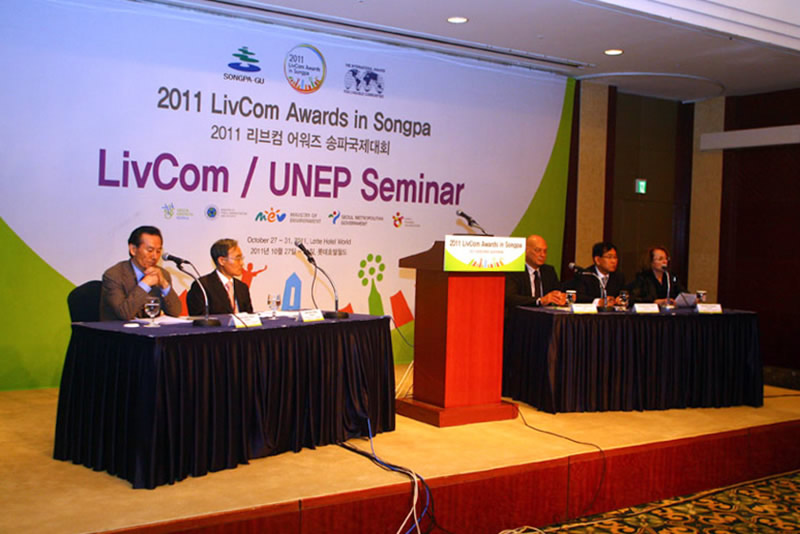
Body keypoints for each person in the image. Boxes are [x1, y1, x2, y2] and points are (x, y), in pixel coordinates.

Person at [100, 225, 182, 321]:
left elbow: (175, 312)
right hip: (118, 329)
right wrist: (145, 284)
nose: (155, 256)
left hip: (151, 329)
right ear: (133, 250)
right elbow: (124, 314)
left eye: (158, 251)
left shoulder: (162, 274)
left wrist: (164, 284)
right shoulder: (114, 275)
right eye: (150, 250)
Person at [187, 238, 253, 315]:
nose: (241, 263)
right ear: (221, 261)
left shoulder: (242, 287)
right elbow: (200, 319)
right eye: (237, 258)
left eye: (241, 258)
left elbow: (250, 317)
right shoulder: (202, 286)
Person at [505, 234, 566, 315]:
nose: (542, 255)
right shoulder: (514, 270)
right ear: (526, 251)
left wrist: (560, 298)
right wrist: (539, 301)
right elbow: (510, 298)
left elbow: (557, 291)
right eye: (538, 250)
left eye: (545, 251)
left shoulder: (549, 271)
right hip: (521, 317)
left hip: (545, 317)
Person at [573, 241, 625, 305]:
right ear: (597, 260)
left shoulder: (619, 277)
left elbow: (630, 295)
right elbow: (579, 297)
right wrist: (599, 302)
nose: (613, 261)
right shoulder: (585, 275)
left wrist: (621, 299)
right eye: (609, 257)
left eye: (615, 257)